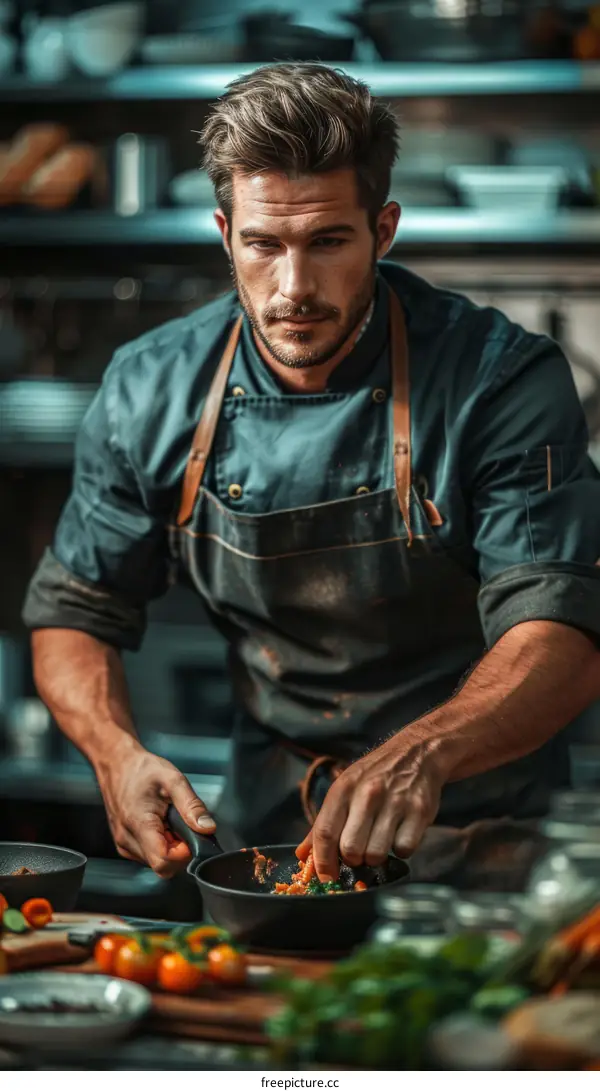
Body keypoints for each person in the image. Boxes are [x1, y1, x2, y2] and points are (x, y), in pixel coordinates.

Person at [23, 63, 600, 884]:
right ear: (226, 235)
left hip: (479, 830)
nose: (294, 288)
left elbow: (566, 630)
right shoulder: (151, 387)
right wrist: (115, 754)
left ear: (385, 229)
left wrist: (423, 753)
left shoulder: (499, 379)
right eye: (264, 245)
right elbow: (74, 609)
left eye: (328, 241)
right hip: (267, 830)